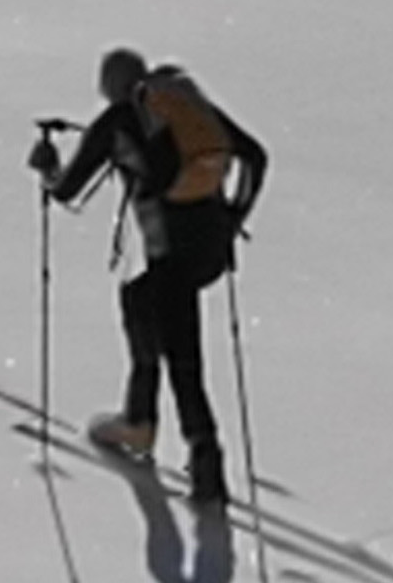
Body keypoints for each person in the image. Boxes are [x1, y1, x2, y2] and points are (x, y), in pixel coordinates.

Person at [33, 47, 269, 508]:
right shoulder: (191, 111)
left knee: (182, 354)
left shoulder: (118, 122)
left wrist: (46, 167)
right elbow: (256, 157)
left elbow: (67, 190)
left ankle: (196, 461)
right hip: (210, 250)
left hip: (170, 255)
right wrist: (234, 214)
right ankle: (142, 421)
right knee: (141, 303)